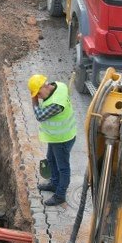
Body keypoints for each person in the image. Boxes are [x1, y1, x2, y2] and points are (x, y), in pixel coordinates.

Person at [29, 74, 76, 206]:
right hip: (55, 137)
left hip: (62, 139)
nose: (38, 97)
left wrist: (34, 101)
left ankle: (60, 195)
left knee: (63, 168)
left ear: (44, 87)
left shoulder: (56, 104)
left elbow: (39, 116)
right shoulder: (60, 86)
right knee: (50, 158)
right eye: (36, 95)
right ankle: (54, 184)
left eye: (38, 94)